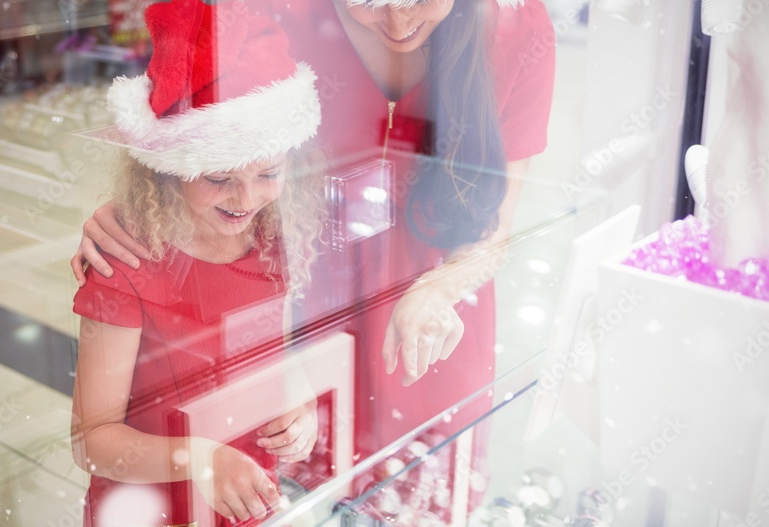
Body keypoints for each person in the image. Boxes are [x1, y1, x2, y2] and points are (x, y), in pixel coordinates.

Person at [74, 0, 555, 519]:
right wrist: (137, 207)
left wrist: (438, 289)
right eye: (369, 5)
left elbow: (493, 230)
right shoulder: (277, 15)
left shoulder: (515, 30)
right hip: (309, 328)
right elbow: (191, 117)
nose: (398, 25)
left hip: (426, 340)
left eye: (419, 0)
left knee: (418, 497)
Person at [69, 1, 325, 525]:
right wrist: (200, 458)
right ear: (169, 169)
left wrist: (301, 406)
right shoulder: (127, 263)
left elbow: (272, 356)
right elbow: (91, 442)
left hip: (242, 490)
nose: (247, 198)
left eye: (268, 174)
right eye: (218, 177)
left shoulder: (274, 238)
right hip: (153, 502)